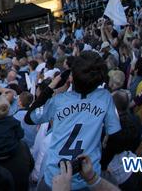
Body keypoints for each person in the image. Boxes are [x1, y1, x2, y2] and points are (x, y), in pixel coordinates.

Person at [25, 51, 120, 191]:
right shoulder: (105, 97)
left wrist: (51, 87)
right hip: (89, 173)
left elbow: (29, 117)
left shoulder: (58, 101)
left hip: (56, 177)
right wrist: (102, 163)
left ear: (71, 77)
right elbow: (115, 135)